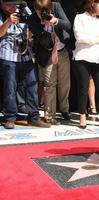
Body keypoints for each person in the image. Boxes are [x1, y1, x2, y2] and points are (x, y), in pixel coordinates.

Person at [0, 0, 51, 129]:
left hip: (25, 54)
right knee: (10, 88)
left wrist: (31, 32)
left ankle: (34, 117)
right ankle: (10, 117)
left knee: (32, 86)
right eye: (9, 4)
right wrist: (8, 22)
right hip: (8, 54)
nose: (12, 7)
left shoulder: (24, 9)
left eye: (14, 4)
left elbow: (34, 23)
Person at [28, 0, 71, 125]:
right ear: (35, 9)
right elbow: (45, 42)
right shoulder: (32, 20)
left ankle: (64, 110)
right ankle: (50, 116)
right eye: (39, 12)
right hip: (47, 54)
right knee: (49, 85)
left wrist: (55, 21)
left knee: (65, 84)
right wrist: (46, 26)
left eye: (45, 11)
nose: (43, 14)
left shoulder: (56, 6)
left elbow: (68, 24)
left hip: (62, 51)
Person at [72, 0, 99, 129]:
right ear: (93, 4)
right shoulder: (80, 18)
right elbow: (80, 37)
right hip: (82, 56)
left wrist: (96, 38)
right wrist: (98, 38)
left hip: (98, 58)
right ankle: (82, 115)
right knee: (83, 86)